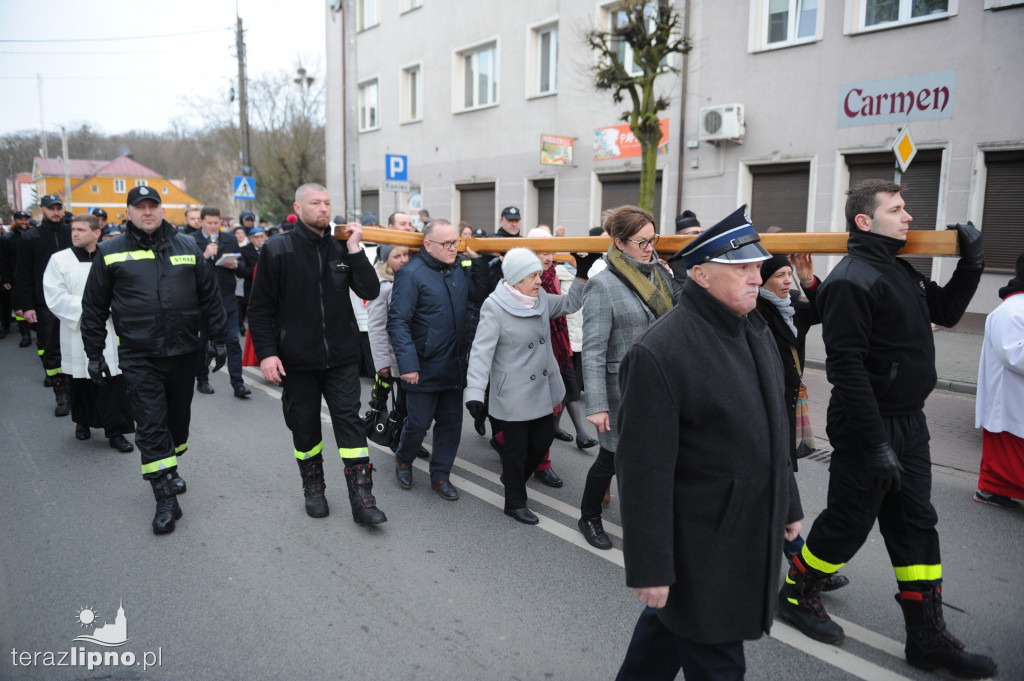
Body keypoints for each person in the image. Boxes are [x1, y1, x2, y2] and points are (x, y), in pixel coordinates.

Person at [778, 179, 995, 678]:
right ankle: (798, 592)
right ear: (863, 221)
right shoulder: (853, 278)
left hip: (909, 423)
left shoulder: (897, 269)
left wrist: (972, 265)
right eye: (896, 209)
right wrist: (875, 444)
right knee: (849, 523)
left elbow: (944, 311)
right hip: (865, 426)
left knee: (916, 523)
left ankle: (926, 637)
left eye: (906, 208)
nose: (908, 217)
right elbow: (847, 368)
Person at [614, 205, 802, 681]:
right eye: (741, 268)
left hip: (741, 528)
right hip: (701, 544)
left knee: (661, 641)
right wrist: (651, 566)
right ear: (699, 274)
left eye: (757, 267)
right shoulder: (660, 352)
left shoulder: (754, 328)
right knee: (716, 659)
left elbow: (773, 426)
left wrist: (788, 501)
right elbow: (642, 471)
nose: (756, 277)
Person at [81, 185, 229, 535]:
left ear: (163, 211)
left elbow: (210, 296)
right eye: (140, 207)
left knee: (177, 423)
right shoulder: (110, 251)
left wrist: (219, 340)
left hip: (182, 352)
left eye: (153, 206)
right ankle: (164, 497)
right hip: (138, 355)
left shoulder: (187, 247)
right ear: (128, 212)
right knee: (149, 424)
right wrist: (94, 353)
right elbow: (94, 307)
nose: (147, 212)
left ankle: (171, 466)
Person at [248, 183, 386, 527]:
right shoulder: (278, 249)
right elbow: (260, 307)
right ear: (299, 206)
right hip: (297, 360)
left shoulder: (343, 248)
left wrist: (355, 250)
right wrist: (267, 353)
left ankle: (362, 499)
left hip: (341, 356)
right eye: (315, 203)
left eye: (327, 202)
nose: (323, 208)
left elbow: (370, 290)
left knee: (349, 425)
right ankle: (314, 488)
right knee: (305, 427)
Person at [578, 206, 683, 551]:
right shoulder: (602, 285)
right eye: (642, 241)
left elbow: (680, 313)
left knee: (652, 458)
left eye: (653, 239)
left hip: (661, 386)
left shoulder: (660, 274)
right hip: (621, 390)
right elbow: (593, 350)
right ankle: (589, 516)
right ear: (619, 242)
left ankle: (647, 517)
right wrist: (596, 405)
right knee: (611, 458)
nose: (649, 247)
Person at [466, 248, 586, 524]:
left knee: (543, 440)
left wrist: (581, 275)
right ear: (517, 278)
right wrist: (474, 392)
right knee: (517, 450)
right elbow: (481, 352)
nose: (539, 281)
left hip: (543, 388)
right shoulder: (494, 306)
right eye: (533, 276)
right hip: (514, 393)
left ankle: (512, 477)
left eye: (539, 275)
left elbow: (569, 304)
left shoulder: (541, 297)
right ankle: (514, 501)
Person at [756, 253, 849, 592]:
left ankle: (800, 564)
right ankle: (801, 565)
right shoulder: (755, 310)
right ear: (761, 278)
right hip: (764, 409)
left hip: (786, 405)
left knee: (773, 486)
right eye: (779, 275)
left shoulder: (792, 306)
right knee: (775, 484)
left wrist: (809, 282)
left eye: (788, 274)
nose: (786, 281)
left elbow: (827, 311)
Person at [388, 219, 486, 500]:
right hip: (423, 364)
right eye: (446, 243)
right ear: (428, 245)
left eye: (455, 242)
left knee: (451, 423)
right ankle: (404, 458)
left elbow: (479, 295)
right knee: (418, 422)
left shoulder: (458, 269)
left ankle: (441, 475)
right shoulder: (411, 274)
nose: (453, 248)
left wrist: (477, 263)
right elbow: (398, 322)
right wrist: (408, 365)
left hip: (454, 363)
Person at [43, 213, 134, 452]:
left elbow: (125, 289)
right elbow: (55, 296)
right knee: (81, 380)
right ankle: (82, 422)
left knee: (113, 381)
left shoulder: (111, 257)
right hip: (77, 329)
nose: (75, 233)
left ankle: (116, 433)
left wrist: (112, 309)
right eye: (74, 229)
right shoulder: (59, 260)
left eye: (82, 230)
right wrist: (92, 308)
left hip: (108, 328)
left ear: (97, 233)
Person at [366, 244, 429, 460]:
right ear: (385, 261)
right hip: (396, 357)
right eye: (397, 256)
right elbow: (376, 326)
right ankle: (399, 439)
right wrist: (382, 362)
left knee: (415, 404)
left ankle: (410, 439)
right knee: (402, 404)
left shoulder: (413, 279)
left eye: (406, 254)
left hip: (417, 352)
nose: (404, 259)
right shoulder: (382, 287)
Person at [974, 252, 1024, 508]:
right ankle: (992, 491)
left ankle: (993, 491)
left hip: (1015, 400)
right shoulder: (1012, 310)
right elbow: (1014, 355)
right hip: (1011, 399)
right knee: (1009, 456)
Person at [14, 194, 73, 413]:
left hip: (73, 302)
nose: (56, 212)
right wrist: (26, 306)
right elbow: (23, 274)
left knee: (76, 348)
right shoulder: (30, 237)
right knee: (52, 351)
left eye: (59, 208)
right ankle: (61, 395)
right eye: (51, 208)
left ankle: (76, 392)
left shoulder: (72, 233)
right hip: (44, 304)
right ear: (42, 210)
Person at [190, 207, 250, 398]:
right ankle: (202, 380)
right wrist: (204, 256)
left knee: (232, 342)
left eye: (217, 223)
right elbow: (185, 270)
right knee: (202, 344)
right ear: (201, 222)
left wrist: (235, 265)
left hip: (227, 300)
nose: (214, 227)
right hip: (202, 301)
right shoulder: (191, 240)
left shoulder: (230, 239)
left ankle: (238, 383)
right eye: (210, 223)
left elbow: (243, 269)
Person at [0, 210, 33, 342]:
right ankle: (25, 333)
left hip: (32, 276)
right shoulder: (7, 238)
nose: (24, 222)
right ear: (15, 221)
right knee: (18, 306)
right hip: (15, 278)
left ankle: (36, 329)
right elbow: (4, 261)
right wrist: (6, 279)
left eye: (26, 219)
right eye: (21, 219)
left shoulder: (32, 235)